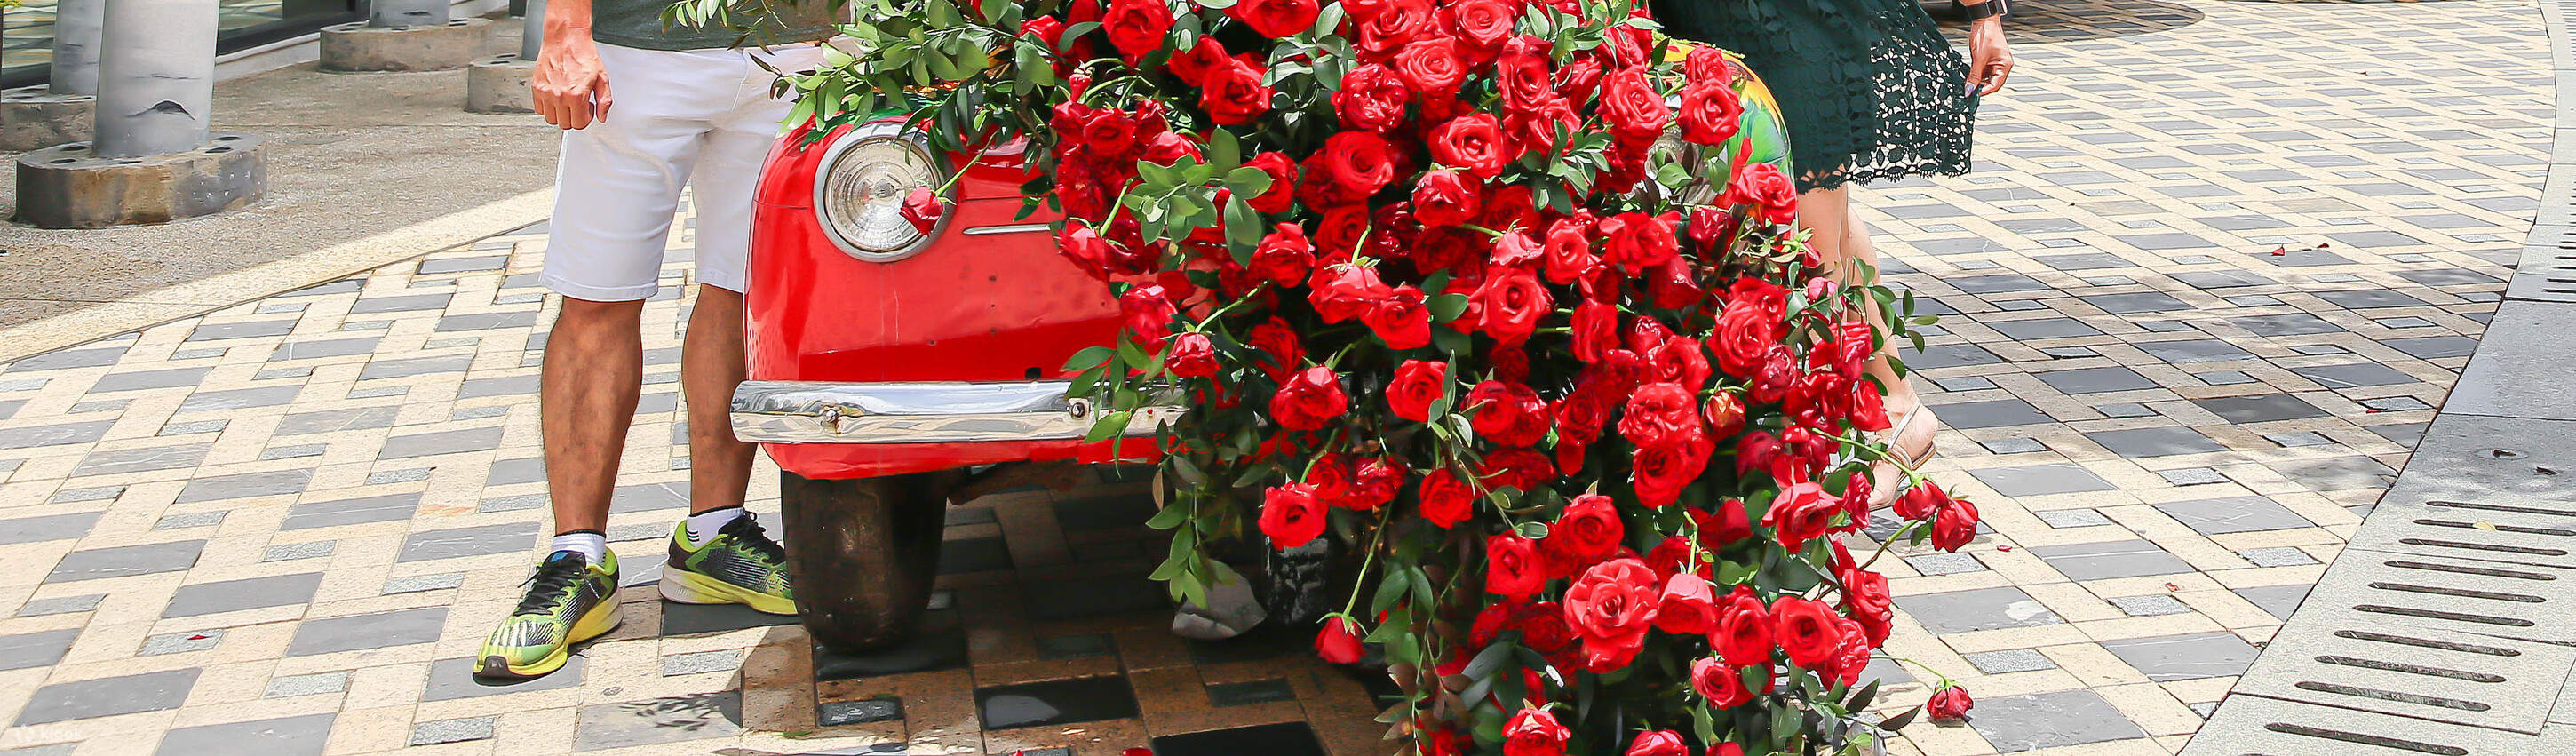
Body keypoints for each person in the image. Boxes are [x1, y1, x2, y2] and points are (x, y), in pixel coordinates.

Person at [473, 0, 837, 680]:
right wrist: (565, 30)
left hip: (798, 49)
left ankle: (713, 536)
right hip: (636, 52)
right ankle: (577, 557)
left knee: (744, 288)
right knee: (597, 296)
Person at [1655, 0, 2015, 494]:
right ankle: (1894, 407)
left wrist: (1986, 13)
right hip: (1704, 31)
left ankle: (1884, 414)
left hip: (1791, 33)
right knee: (1822, 221)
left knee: (1807, 237)